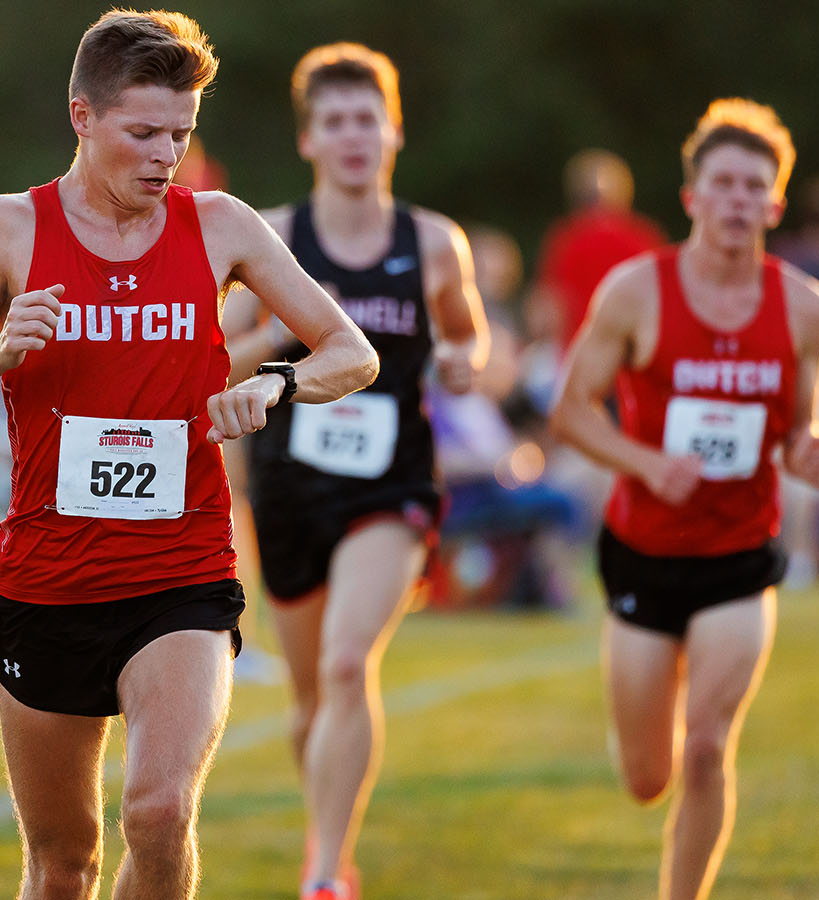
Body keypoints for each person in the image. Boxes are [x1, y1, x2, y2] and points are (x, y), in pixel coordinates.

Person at [0, 11, 377, 900]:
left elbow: (350, 351)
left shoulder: (220, 226)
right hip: (47, 579)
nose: (168, 156)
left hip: (181, 569)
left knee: (159, 812)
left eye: (183, 134)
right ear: (83, 117)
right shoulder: (9, 229)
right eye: (145, 133)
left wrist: (275, 384)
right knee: (62, 865)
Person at [550, 98, 819, 900]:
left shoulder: (806, 308)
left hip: (740, 557)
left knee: (709, 747)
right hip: (645, 552)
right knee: (650, 776)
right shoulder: (635, 292)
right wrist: (643, 461)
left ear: (776, 204)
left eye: (756, 186)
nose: (739, 199)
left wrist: (810, 454)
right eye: (724, 182)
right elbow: (571, 412)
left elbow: (797, 429)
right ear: (693, 197)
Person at [221, 43, 488, 900]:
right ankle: (327, 836)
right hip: (291, 487)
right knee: (309, 698)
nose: (351, 137)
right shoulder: (274, 238)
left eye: (365, 120)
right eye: (333, 122)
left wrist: (463, 361)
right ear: (308, 140)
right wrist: (283, 333)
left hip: (393, 488)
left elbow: (468, 332)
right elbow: (215, 355)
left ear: (393, 132)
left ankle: (327, 874)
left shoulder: (434, 242)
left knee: (346, 667)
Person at [531, 148, 666, 352]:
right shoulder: (643, 235)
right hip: (633, 353)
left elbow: (550, 306)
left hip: (579, 351)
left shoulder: (566, 237)